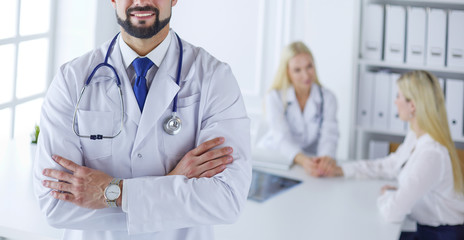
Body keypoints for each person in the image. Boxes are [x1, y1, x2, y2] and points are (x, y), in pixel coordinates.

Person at [32, 0, 252, 239]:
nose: (141, 1)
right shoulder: (72, 80)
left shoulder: (214, 77)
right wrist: (172, 186)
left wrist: (113, 192)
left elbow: (227, 199)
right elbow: (55, 206)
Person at [311, 70, 464, 239]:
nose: (395, 101)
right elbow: (390, 165)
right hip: (425, 230)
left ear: (412, 105)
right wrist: (342, 170)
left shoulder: (432, 154)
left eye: (399, 96)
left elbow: (393, 212)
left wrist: (388, 195)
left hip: (439, 235)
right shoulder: (416, 137)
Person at [257, 41, 339, 172]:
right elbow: (281, 137)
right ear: (287, 72)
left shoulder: (328, 98)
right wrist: (302, 160)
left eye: (309, 67)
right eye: (297, 70)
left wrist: (325, 160)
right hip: (275, 158)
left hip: (307, 162)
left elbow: (329, 135)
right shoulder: (274, 97)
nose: (306, 75)